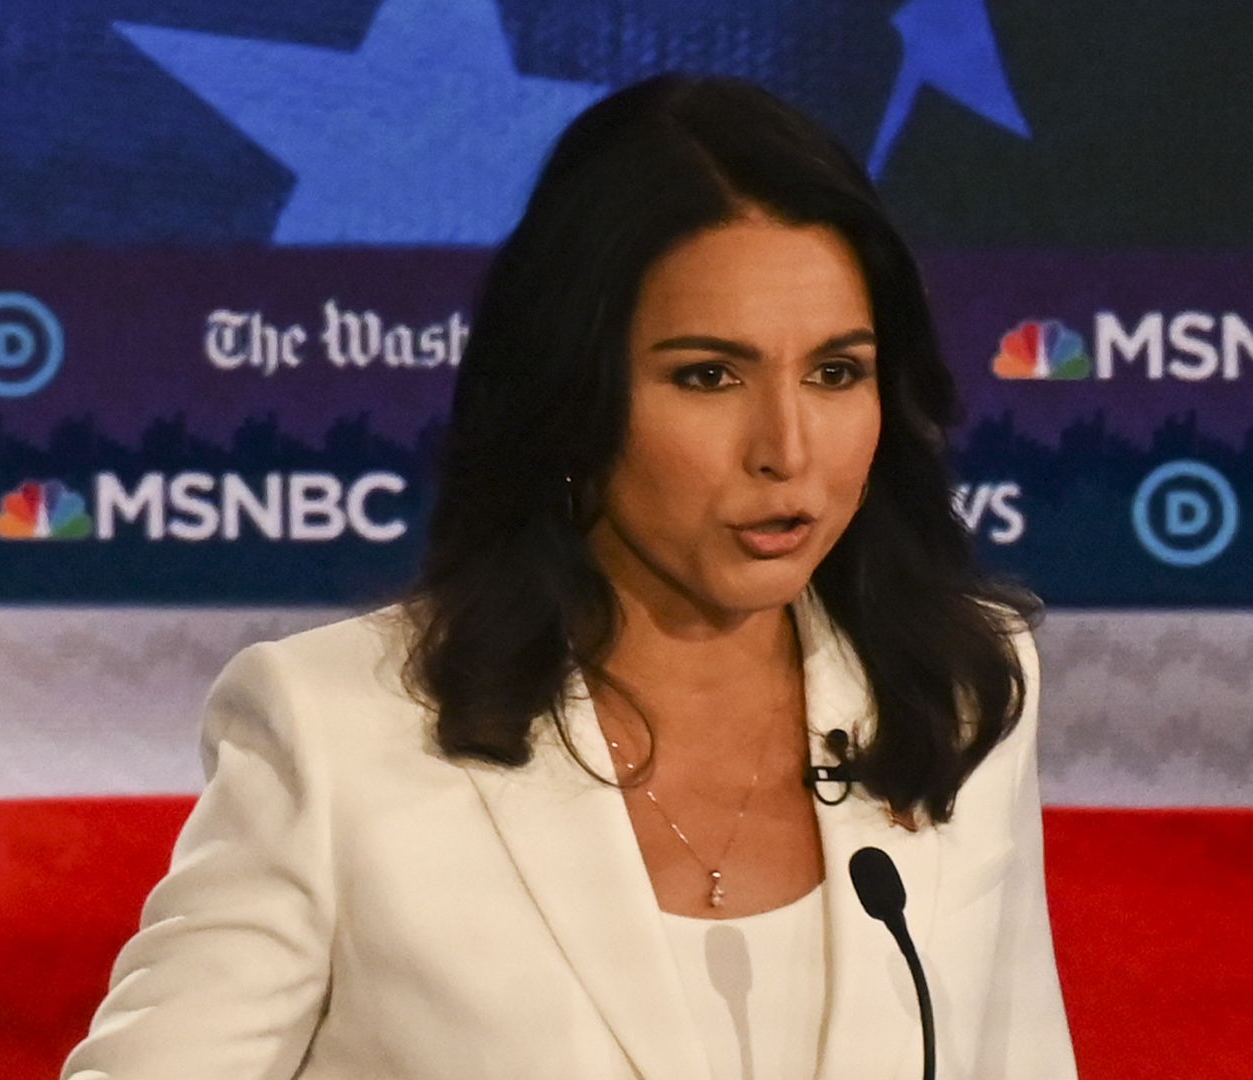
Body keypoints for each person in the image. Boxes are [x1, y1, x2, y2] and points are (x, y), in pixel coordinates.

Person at [61, 74, 1078, 1080]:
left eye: (835, 373)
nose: (787, 449)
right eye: (708, 376)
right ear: (570, 393)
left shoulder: (958, 693)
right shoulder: (338, 734)